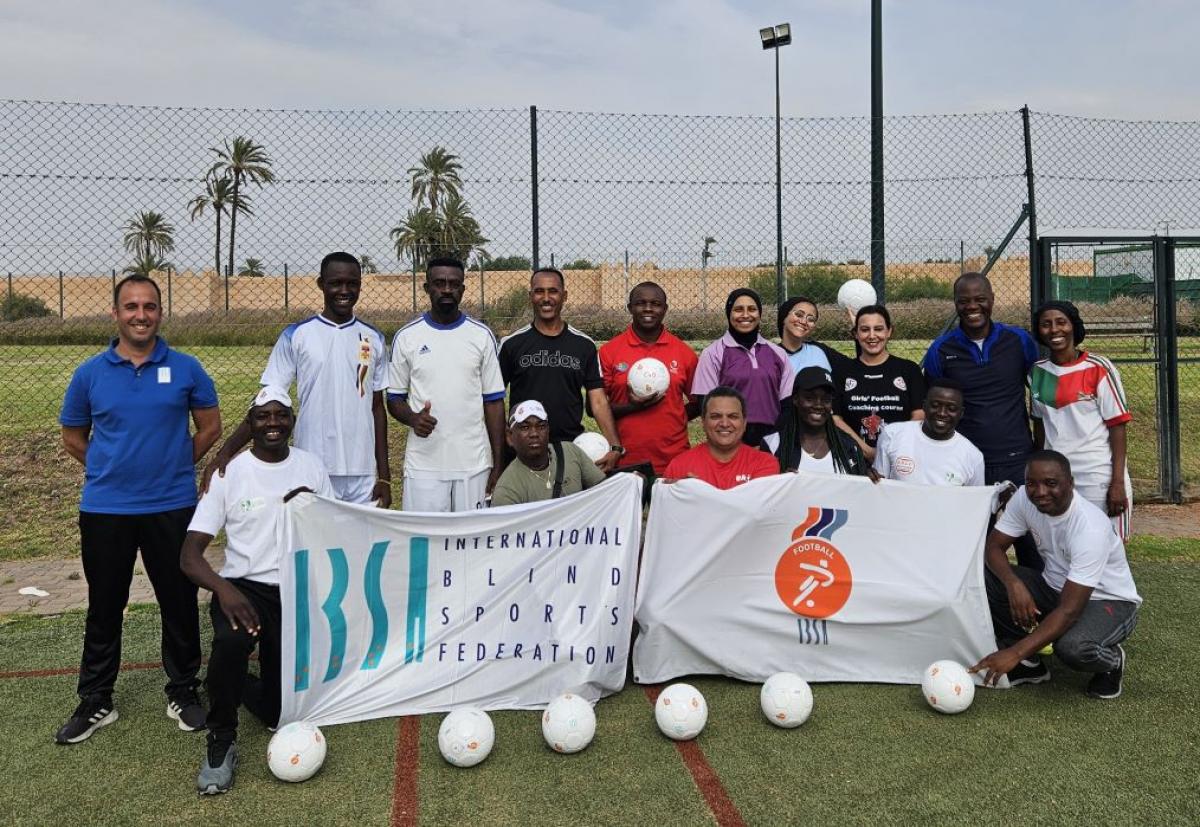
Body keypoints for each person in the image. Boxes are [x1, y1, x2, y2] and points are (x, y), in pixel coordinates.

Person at [56, 274, 222, 744]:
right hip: (106, 508)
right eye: (131, 306)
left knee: (179, 600)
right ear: (116, 314)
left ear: (160, 313)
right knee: (105, 604)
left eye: (149, 306)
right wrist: (111, 467)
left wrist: (172, 464)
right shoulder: (90, 373)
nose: (141, 315)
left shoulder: (186, 368)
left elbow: (209, 427)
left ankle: (184, 691)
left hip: (171, 505)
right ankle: (96, 700)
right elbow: (73, 437)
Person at [181, 388, 334, 794]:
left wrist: (313, 511)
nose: (272, 423)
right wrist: (225, 591)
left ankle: (238, 684)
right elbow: (189, 557)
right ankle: (221, 739)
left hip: (295, 591)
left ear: (292, 422)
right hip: (243, 590)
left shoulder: (311, 467)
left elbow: (336, 531)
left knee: (276, 714)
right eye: (262, 416)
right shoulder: (229, 473)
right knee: (231, 644)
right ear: (249, 424)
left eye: (280, 415)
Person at [204, 252, 390, 507]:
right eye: (336, 283)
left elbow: (377, 407)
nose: (344, 290)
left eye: (352, 283)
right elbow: (265, 404)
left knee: (361, 544)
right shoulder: (297, 335)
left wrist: (385, 477)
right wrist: (224, 454)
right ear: (321, 284)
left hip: (363, 469)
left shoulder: (374, 338)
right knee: (315, 542)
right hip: (313, 462)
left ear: (360, 285)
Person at [970, 450, 1140, 700]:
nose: (1039, 492)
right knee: (984, 578)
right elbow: (993, 547)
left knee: (1073, 647)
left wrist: (1013, 653)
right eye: (1031, 483)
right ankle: (1030, 664)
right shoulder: (1024, 499)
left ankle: (1112, 662)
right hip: (1054, 588)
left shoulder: (1089, 528)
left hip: (1108, 601)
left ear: (1070, 483)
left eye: (1051, 483)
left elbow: (1069, 610)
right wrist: (1013, 584)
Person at [922, 272, 1040, 566]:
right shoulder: (941, 349)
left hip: (1017, 457)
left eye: (980, 299)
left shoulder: (1019, 341)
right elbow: (936, 404)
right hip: (969, 462)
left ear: (992, 301)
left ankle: (1035, 605)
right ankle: (979, 607)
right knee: (972, 546)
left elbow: (1038, 392)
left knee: (1032, 545)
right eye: (964, 301)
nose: (972, 306)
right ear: (956, 304)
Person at [388, 257, 506, 512]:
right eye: (439, 283)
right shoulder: (407, 337)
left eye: (454, 284)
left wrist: (498, 463)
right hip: (424, 465)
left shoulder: (481, 336)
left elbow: (494, 402)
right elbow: (394, 399)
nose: (446, 290)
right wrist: (412, 418)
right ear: (427, 287)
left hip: (473, 464)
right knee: (425, 542)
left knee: (471, 542)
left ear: (462, 289)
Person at [498, 267, 622, 471]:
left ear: (564, 296)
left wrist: (615, 446)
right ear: (530, 296)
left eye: (553, 291)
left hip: (568, 447)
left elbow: (598, 401)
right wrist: (506, 433)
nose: (546, 298)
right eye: (539, 291)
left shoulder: (583, 345)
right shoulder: (512, 344)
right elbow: (494, 398)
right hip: (524, 450)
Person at [1031, 301, 1133, 538]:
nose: (1054, 330)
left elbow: (1118, 426)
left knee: (1108, 550)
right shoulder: (1037, 371)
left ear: (1073, 327)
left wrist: (1116, 482)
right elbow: (1039, 424)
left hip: (1097, 475)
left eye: (1061, 322)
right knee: (1063, 548)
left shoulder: (1099, 368)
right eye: (1046, 325)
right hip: (1056, 478)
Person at [599, 281, 699, 476]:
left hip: (673, 459)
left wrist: (674, 419)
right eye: (640, 303)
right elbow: (594, 408)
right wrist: (632, 407)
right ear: (629, 308)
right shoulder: (609, 352)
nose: (648, 309)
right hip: (624, 460)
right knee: (630, 508)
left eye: (655, 304)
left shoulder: (683, 353)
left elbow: (699, 402)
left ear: (665, 309)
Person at [691, 288, 794, 447]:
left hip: (772, 442)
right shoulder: (712, 354)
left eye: (752, 309)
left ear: (759, 314)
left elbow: (788, 404)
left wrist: (772, 442)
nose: (745, 315)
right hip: (730, 443)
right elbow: (707, 406)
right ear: (728, 314)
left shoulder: (778, 353)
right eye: (738, 309)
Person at [834, 304, 926, 463]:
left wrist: (892, 449)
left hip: (899, 456)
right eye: (864, 329)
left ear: (889, 331)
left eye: (878, 329)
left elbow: (919, 414)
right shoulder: (842, 371)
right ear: (855, 334)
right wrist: (866, 451)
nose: (872, 335)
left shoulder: (909, 369)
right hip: (854, 458)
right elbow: (836, 418)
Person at [490, 401, 608, 506]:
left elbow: (607, 492)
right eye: (525, 427)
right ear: (510, 436)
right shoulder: (507, 490)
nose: (534, 434)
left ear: (548, 430)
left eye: (541, 426)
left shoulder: (571, 452)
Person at [761, 367, 874, 477]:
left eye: (826, 400)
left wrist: (871, 480)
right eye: (810, 398)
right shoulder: (773, 444)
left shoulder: (849, 446)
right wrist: (781, 482)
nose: (819, 405)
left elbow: (859, 490)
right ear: (795, 399)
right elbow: (764, 491)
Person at [873, 378, 985, 487]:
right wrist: (871, 480)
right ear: (924, 406)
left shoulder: (973, 457)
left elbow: (974, 502)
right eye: (935, 405)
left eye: (951, 408)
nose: (942, 413)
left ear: (961, 413)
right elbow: (879, 487)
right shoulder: (892, 435)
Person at [664, 387, 779, 489]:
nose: (724, 423)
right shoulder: (679, 466)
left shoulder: (765, 464)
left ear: (744, 423)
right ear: (703, 422)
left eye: (733, 416)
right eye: (715, 416)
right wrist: (681, 496)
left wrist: (698, 494)